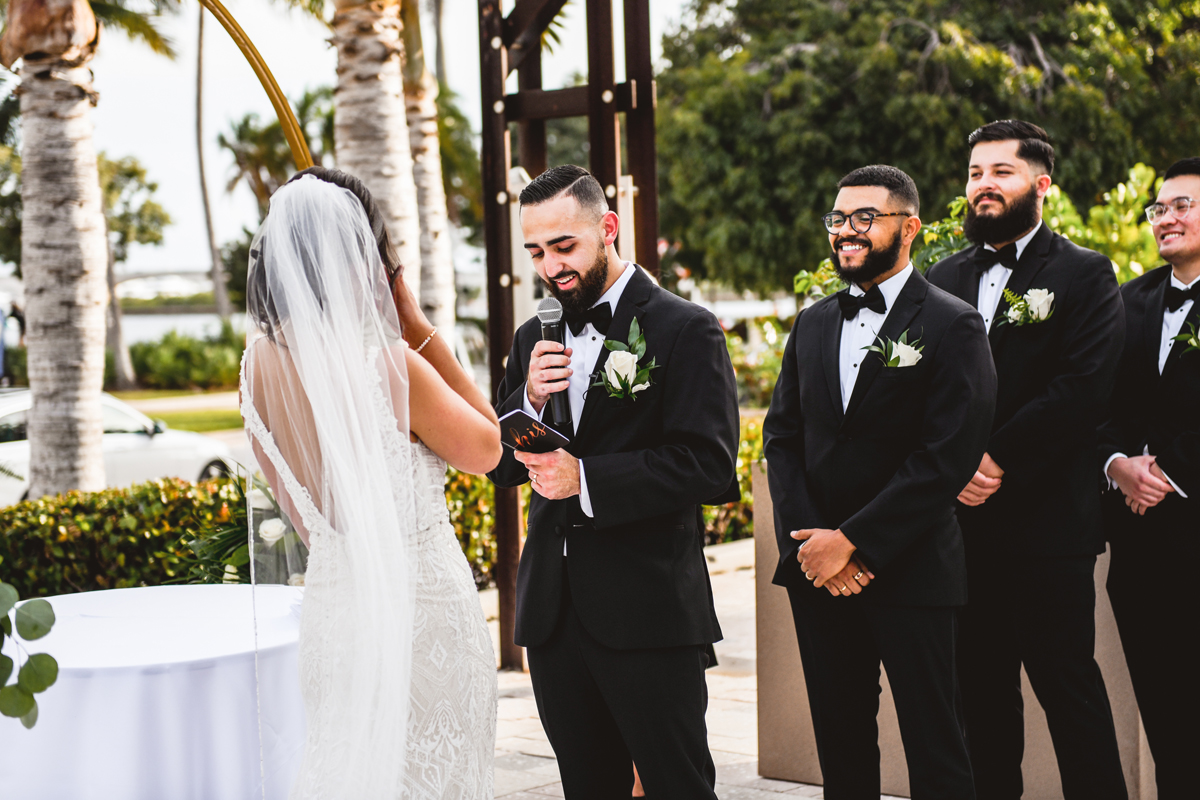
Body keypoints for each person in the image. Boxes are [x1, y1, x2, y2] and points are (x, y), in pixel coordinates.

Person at [239, 167, 502, 798]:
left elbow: (305, 519)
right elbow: (491, 446)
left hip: (336, 615)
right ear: (358, 260)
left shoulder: (255, 371)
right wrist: (420, 328)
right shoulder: (389, 365)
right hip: (425, 614)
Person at [487, 165, 740, 799]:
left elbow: (709, 465)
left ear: (609, 228)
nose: (551, 267)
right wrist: (531, 404)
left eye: (564, 246)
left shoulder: (686, 328)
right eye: (536, 252)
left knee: (677, 785)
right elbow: (501, 462)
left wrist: (588, 478)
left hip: (649, 610)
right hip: (553, 615)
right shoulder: (531, 338)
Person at [764, 165, 995, 799]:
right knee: (841, 747)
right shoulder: (811, 324)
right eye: (839, 219)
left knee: (936, 746)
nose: (847, 232)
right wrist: (815, 546)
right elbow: (782, 439)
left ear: (910, 227)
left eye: (865, 218)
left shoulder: (953, 324)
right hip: (818, 573)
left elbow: (945, 457)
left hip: (913, 568)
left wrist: (857, 543)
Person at [926, 120, 1127, 799]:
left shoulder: (1085, 273)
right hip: (958, 531)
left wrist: (997, 458)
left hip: (1048, 529)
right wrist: (952, 465)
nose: (984, 184)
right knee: (978, 700)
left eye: (1001, 172)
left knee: (1069, 692)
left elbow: (1082, 388)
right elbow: (922, 390)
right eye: (976, 172)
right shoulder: (941, 277)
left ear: (1042, 184)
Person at [1098, 156, 1200, 799]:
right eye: (1158, 208)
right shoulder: (1128, 301)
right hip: (1140, 554)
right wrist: (1117, 467)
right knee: (1168, 722)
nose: (1166, 218)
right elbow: (1098, 406)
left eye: (1182, 205)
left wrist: (1162, 474)